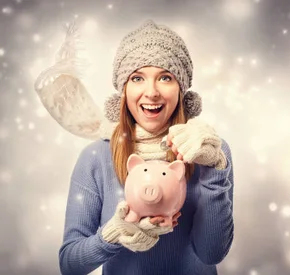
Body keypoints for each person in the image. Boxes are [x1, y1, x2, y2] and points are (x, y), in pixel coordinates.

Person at [57, 20, 235, 275]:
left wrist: (214, 169)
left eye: (165, 77)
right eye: (137, 78)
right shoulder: (96, 158)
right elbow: (70, 264)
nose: (151, 92)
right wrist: (114, 233)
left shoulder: (211, 152)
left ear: (181, 89)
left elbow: (212, 253)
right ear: (124, 89)